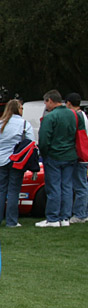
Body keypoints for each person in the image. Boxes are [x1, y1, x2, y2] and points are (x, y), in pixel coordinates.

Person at [0, 99, 33, 228]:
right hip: (17, 160)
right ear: (17, 109)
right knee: (14, 190)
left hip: (1, 160)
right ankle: (11, 221)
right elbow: (32, 142)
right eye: (21, 108)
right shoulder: (24, 124)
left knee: (1, 190)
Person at [35, 89, 77, 227]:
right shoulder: (74, 115)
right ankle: (65, 217)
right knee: (67, 187)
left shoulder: (50, 117)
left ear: (50, 101)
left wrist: (44, 153)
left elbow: (44, 139)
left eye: (46, 102)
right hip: (70, 155)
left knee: (54, 187)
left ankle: (53, 218)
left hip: (54, 155)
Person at [66, 93, 87, 224]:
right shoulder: (83, 115)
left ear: (68, 103)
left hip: (81, 155)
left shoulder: (77, 116)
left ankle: (80, 214)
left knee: (80, 185)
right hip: (84, 153)